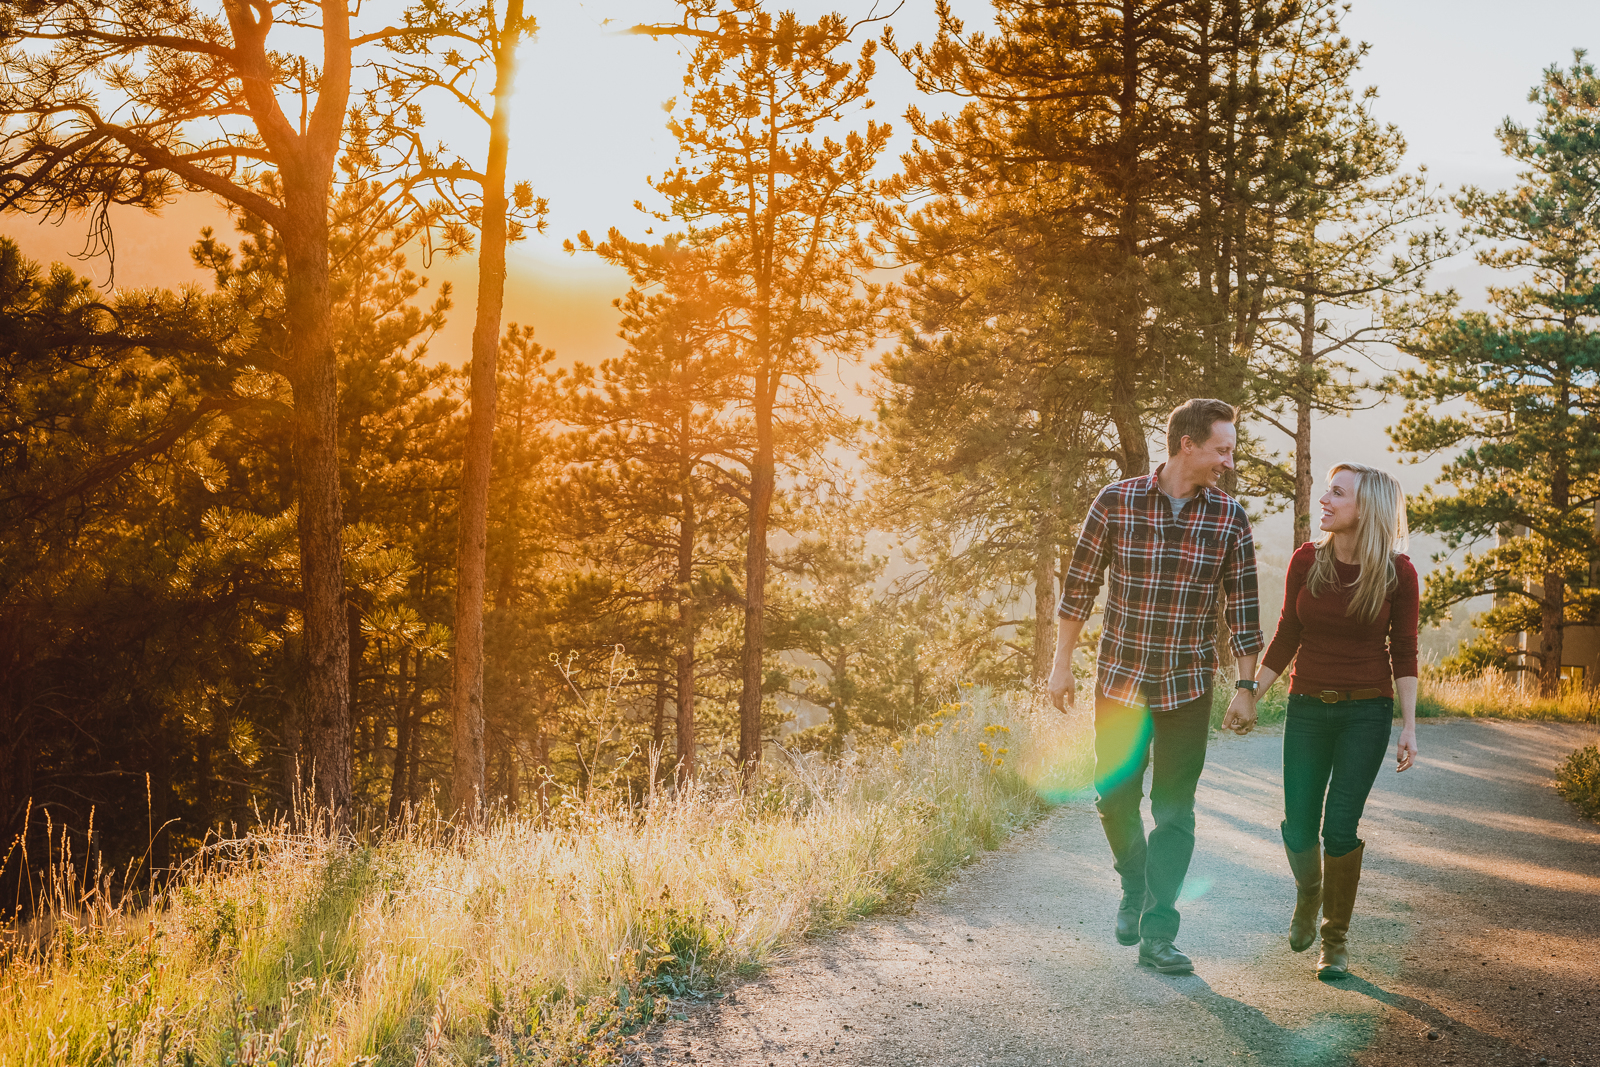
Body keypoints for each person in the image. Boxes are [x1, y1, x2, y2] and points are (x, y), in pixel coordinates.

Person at [1048, 398, 1264, 976]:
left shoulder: (1228, 518)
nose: (1229, 461)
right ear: (1187, 444)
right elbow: (1078, 589)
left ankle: (1159, 931)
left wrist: (1245, 685)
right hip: (1120, 682)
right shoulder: (1115, 503)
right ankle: (1135, 884)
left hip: (1186, 688)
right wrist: (1061, 662)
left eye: (1231, 451)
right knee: (1113, 797)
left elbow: (1243, 609)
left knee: (1174, 812)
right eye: (1222, 449)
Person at [1250, 462, 1418, 979]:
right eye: (1326, 490)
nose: (1324, 500)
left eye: (1337, 493)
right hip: (1306, 709)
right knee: (1298, 825)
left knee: (1339, 826)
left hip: (1366, 712)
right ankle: (1309, 893)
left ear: (1365, 508)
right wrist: (1249, 695)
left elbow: (1405, 652)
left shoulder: (1397, 572)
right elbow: (1285, 636)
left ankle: (1335, 939)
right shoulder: (1307, 560)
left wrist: (1409, 726)